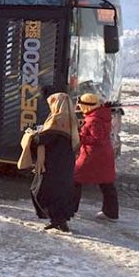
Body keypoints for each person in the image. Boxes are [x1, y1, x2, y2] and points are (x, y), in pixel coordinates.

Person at [30, 92, 80, 232]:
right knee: (61, 191)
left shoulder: (57, 119)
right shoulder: (71, 118)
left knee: (43, 189)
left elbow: (43, 139)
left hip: (54, 162)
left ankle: (57, 220)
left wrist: (33, 135)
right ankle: (60, 220)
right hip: (66, 162)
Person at [73, 93, 119, 221]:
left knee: (75, 179)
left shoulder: (94, 120)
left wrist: (79, 137)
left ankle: (71, 209)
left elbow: (96, 139)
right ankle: (111, 213)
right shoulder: (102, 114)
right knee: (106, 183)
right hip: (104, 154)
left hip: (92, 155)